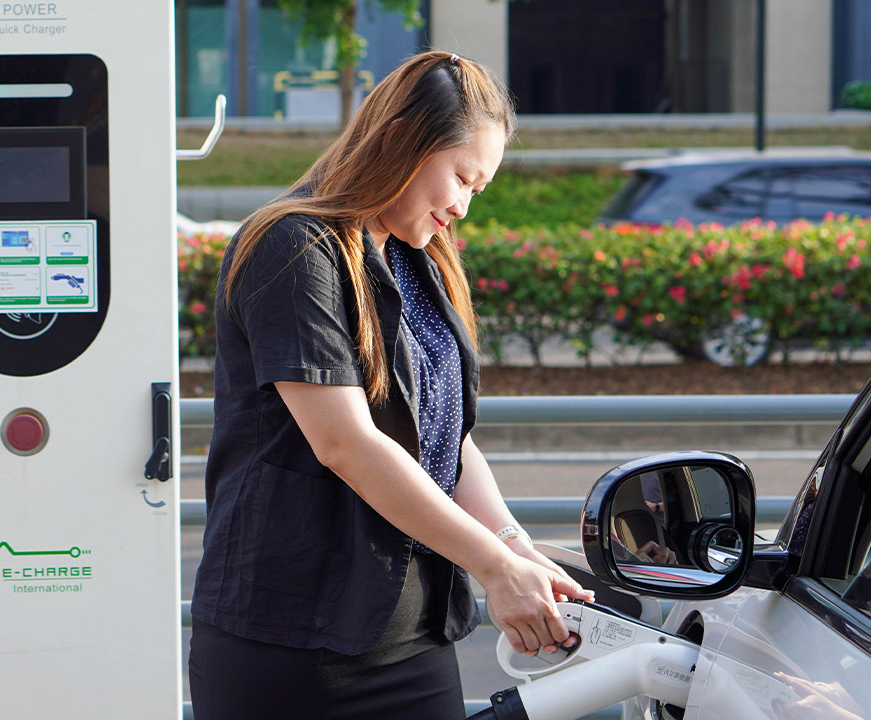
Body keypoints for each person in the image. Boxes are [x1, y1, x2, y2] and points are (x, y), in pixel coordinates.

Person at [188, 50, 594, 720]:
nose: (463, 206)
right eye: (462, 177)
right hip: (286, 645)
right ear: (403, 142)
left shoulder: (414, 258)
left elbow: (446, 437)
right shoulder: (294, 246)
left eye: (478, 190)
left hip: (408, 641)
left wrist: (514, 547)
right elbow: (344, 442)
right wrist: (494, 568)